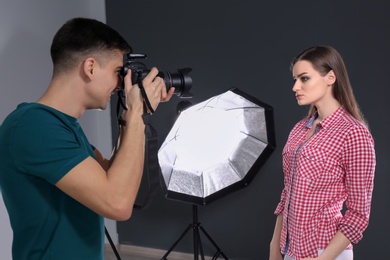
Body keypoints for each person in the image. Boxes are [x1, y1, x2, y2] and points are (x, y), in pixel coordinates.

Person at [0, 17, 174, 259]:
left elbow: (113, 177)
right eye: (117, 72)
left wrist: (130, 116)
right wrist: (136, 115)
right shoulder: (33, 125)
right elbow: (118, 203)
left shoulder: (61, 127)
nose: (119, 85)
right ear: (90, 67)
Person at [269, 46, 376, 260]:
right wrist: (274, 245)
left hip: (324, 252)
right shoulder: (299, 129)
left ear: (330, 77)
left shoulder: (354, 134)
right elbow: (287, 192)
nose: (295, 87)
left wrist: (323, 259)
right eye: (295, 79)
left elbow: (358, 215)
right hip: (289, 248)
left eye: (304, 78)